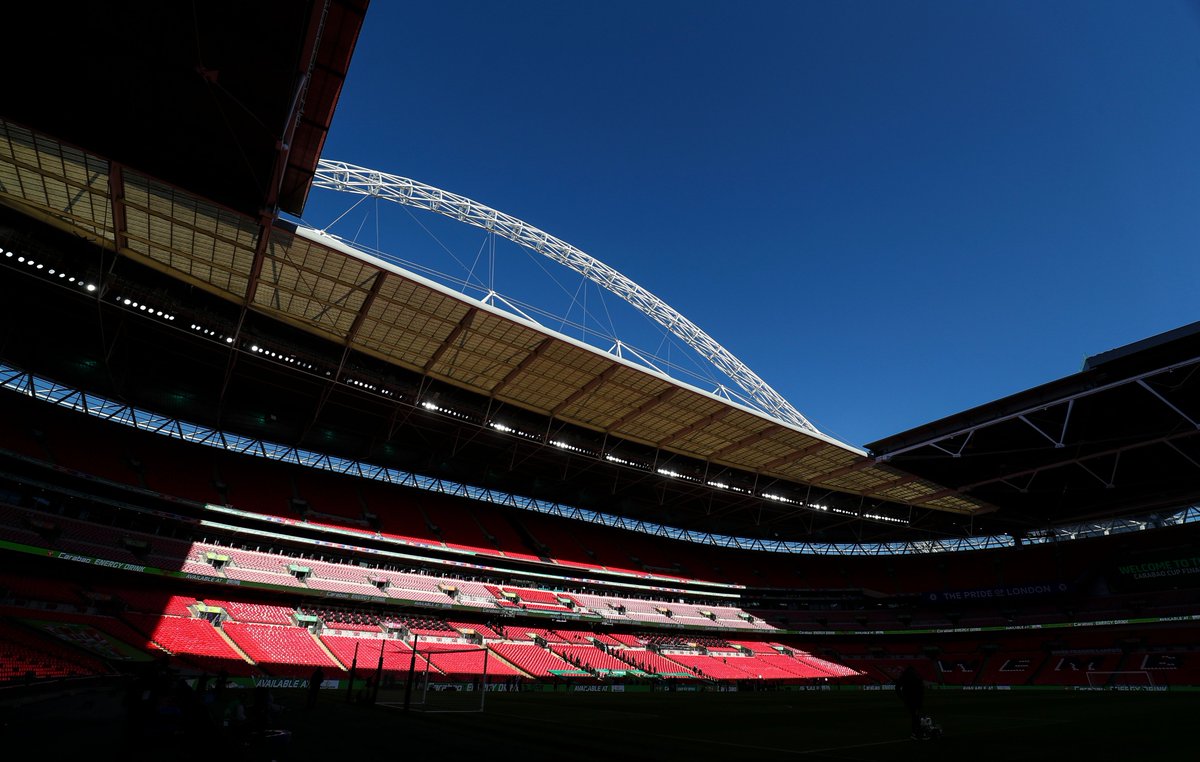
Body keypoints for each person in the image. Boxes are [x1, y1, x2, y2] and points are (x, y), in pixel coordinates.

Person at [894, 664, 925, 739]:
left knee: (915, 716)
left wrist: (902, 697)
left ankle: (916, 732)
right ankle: (916, 732)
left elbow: (897, 687)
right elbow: (921, 689)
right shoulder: (917, 677)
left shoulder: (904, 676)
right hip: (916, 700)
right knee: (916, 716)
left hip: (909, 700)